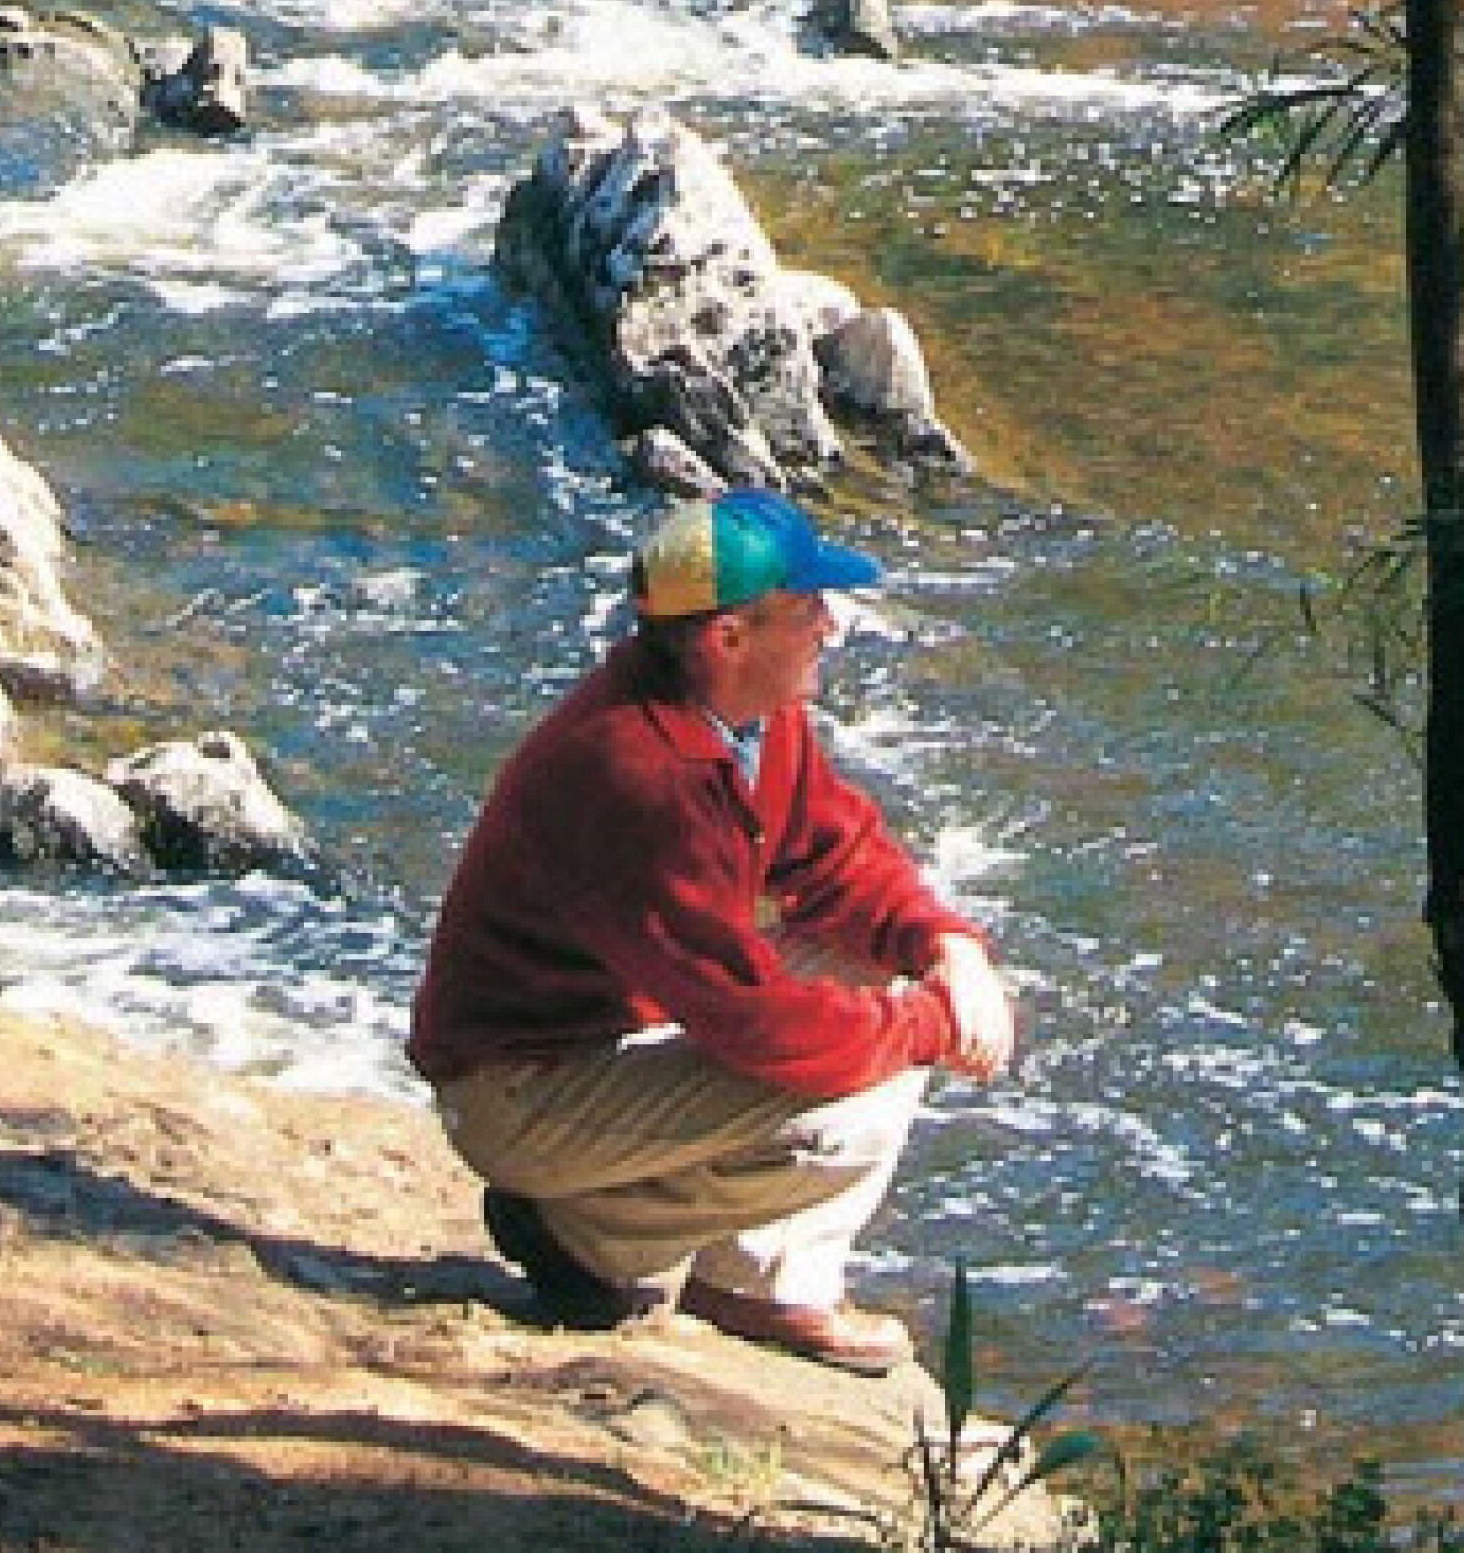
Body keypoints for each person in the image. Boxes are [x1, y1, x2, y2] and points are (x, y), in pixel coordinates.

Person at [408, 487, 1015, 1374]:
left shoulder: (748, 716)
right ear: (728, 638)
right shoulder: (644, 776)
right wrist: (933, 1025)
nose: (832, 628)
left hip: (601, 1039)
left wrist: (944, 947)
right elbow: (756, 1025)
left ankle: (674, 1254)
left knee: (866, 973)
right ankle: (616, 1246)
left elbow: (836, 856)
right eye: (808, 609)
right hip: (520, 1092)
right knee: (856, 1101)